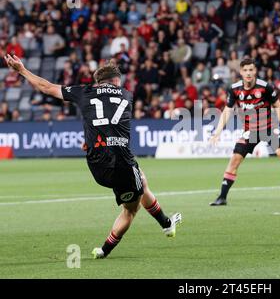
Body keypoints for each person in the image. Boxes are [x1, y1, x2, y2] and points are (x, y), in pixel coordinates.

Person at [4, 54, 182, 258]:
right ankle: (104, 250)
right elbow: (112, 120)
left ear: (97, 82)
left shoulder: (84, 92)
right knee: (130, 209)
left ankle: (167, 224)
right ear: (116, 81)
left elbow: (47, 87)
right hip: (122, 165)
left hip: (97, 166)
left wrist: (22, 70)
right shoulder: (127, 95)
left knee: (142, 180)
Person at [209, 58, 280, 206]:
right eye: (245, 70)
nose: (248, 73)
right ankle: (222, 197)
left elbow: (278, 107)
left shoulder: (265, 87)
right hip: (250, 131)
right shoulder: (234, 89)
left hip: (269, 128)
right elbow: (227, 110)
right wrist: (218, 132)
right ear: (240, 72)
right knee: (235, 159)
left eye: (251, 70)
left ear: (255, 71)